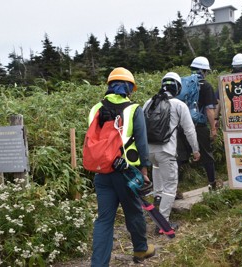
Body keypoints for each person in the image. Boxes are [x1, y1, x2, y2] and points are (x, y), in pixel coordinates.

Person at [89, 67, 155, 266]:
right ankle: (141, 250)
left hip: (102, 173)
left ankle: (98, 264)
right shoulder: (134, 109)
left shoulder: (95, 109)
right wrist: (144, 170)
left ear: (109, 86)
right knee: (133, 211)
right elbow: (142, 143)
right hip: (125, 172)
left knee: (104, 220)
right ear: (128, 88)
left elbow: (94, 139)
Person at [143, 71, 200, 234]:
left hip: (149, 152)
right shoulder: (179, 105)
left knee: (160, 185)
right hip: (166, 152)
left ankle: (158, 207)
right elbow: (190, 130)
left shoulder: (149, 102)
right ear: (177, 88)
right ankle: (163, 224)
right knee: (170, 187)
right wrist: (195, 150)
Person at [177, 56, 218, 190]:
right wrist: (213, 128)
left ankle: (174, 189)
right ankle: (212, 183)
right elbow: (209, 110)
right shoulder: (206, 86)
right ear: (204, 71)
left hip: (182, 125)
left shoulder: (183, 83)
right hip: (199, 126)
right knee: (206, 154)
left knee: (180, 157)